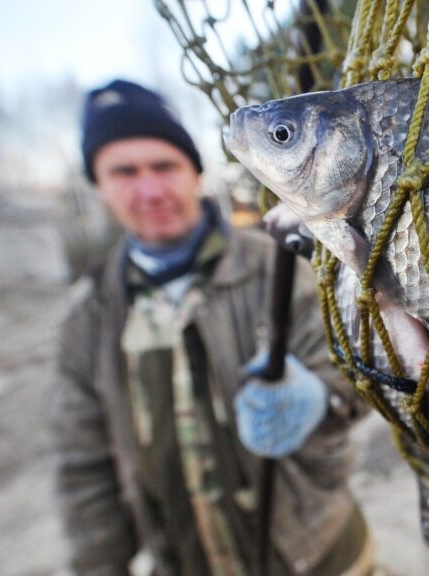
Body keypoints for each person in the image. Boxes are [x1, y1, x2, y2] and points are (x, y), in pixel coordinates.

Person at [52, 79, 372, 576]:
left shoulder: (279, 266)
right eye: (125, 172)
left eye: (164, 166)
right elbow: (85, 469)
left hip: (325, 557)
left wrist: (318, 397)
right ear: (98, 184)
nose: (150, 189)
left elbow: (363, 378)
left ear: (193, 171)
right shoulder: (87, 317)